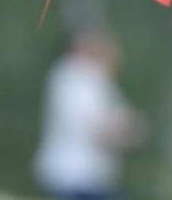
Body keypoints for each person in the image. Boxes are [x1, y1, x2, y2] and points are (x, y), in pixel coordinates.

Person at [34, 26, 147, 200]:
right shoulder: (80, 79)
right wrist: (127, 133)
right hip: (76, 177)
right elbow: (102, 130)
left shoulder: (90, 79)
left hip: (85, 177)